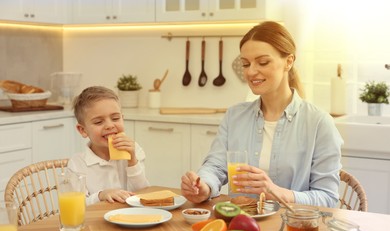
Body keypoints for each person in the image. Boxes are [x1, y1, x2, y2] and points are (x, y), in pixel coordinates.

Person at [181, 21, 343, 208]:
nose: (251, 72)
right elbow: (216, 167)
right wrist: (203, 186)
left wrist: (275, 192)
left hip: (292, 229)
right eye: (246, 64)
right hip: (239, 227)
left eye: (263, 62)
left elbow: (328, 198)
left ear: (288, 62)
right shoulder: (235, 116)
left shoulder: (319, 123)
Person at [68, 86, 150, 205]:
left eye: (115, 118)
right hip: (96, 222)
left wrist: (132, 162)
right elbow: (76, 205)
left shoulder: (134, 150)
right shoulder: (76, 164)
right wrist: (101, 195)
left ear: (123, 118)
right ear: (83, 130)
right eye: (98, 122)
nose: (110, 125)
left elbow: (143, 193)